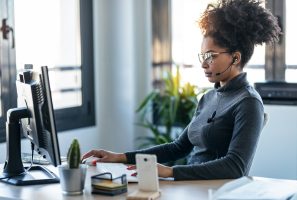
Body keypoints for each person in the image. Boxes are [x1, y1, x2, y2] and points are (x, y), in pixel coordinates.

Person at [82, 0, 281, 180]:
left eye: (211, 56)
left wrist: (171, 172)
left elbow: (235, 166)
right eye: (202, 56)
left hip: (219, 191)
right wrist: (120, 157)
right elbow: (178, 147)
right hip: (194, 188)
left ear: (235, 58)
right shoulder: (209, 97)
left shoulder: (248, 102)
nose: (204, 64)